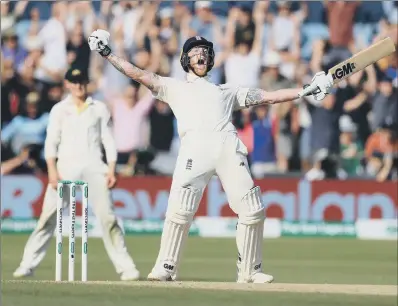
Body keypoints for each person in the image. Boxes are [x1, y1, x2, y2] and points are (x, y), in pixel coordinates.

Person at [88, 29, 333, 283]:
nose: (201, 57)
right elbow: (137, 73)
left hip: (228, 148)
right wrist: (107, 54)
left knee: (253, 210)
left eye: (205, 53)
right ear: (185, 60)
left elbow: (268, 97)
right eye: (195, 53)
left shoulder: (226, 91)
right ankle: (165, 267)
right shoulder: (172, 87)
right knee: (179, 212)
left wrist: (306, 90)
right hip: (194, 151)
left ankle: (250, 271)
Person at [13, 68, 140, 281]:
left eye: (81, 81)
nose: (79, 85)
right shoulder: (59, 110)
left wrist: (111, 169)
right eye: (74, 82)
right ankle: (27, 265)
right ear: (67, 84)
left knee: (108, 218)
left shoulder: (98, 108)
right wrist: (52, 171)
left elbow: (108, 140)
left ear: (86, 83)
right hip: (66, 167)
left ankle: (126, 268)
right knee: (47, 217)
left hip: (94, 165)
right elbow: (51, 142)